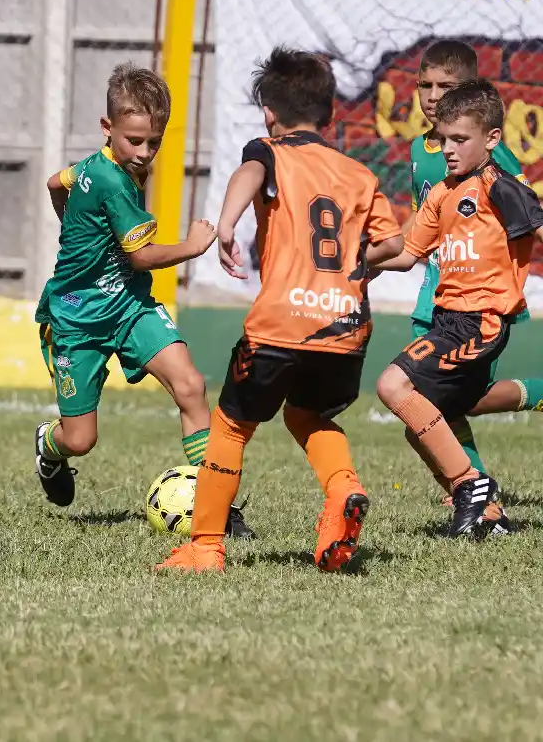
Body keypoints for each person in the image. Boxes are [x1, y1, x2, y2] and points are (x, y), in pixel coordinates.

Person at [157, 47, 401, 574]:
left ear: (269, 111)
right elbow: (395, 249)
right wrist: (359, 267)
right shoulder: (359, 175)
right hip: (345, 327)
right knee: (308, 414)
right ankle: (344, 489)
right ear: (330, 113)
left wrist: (226, 223)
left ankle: (204, 546)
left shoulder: (268, 151)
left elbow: (249, 171)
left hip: (281, 323)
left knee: (230, 426)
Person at [33, 62, 254, 538]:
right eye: (134, 141)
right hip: (77, 318)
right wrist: (194, 246)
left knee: (191, 387)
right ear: (107, 128)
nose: (144, 152)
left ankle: (217, 506)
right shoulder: (112, 180)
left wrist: (73, 224)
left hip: (130, 308)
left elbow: (56, 182)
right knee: (80, 439)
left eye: (154, 142)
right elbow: (141, 256)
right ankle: (49, 449)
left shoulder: (96, 166)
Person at [373, 79, 543, 537]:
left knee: (393, 384)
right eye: (443, 139)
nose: (448, 149)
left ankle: (471, 486)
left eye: (459, 140)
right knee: (424, 423)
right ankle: (485, 516)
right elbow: (408, 254)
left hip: (481, 320)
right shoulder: (442, 193)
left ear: (491, 139)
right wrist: (352, 262)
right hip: (449, 320)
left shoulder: (500, 188)